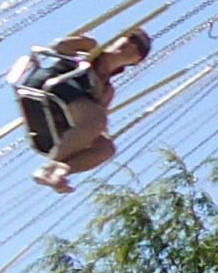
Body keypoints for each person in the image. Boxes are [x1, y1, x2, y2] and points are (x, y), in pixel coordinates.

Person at [14, 27, 155, 189]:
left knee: (106, 148)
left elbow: (95, 124)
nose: (132, 46)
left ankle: (62, 168)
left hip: (63, 114)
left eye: (140, 49)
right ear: (118, 37)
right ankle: (49, 167)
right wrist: (81, 41)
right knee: (96, 120)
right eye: (132, 38)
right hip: (51, 86)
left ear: (136, 62)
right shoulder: (90, 51)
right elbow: (58, 47)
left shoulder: (107, 90)